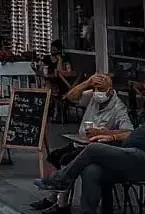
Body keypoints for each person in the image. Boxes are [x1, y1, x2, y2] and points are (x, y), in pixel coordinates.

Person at [35, 72, 145, 214]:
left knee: (93, 149)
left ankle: (61, 180)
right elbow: (70, 97)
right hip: (130, 155)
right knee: (91, 170)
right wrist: (112, 137)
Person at [30, 72, 132, 214]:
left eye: (101, 90)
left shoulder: (118, 108)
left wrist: (106, 133)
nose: (98, 93)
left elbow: (128, 131)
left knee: (67, 160)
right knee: (54, 156)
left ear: (110, 90)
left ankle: (62, 203)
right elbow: (70, 97)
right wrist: (87, 82)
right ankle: (54, 197)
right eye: (96, 89)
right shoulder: (93, 97)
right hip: (79, 142)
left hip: (97, 147)